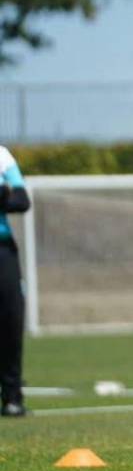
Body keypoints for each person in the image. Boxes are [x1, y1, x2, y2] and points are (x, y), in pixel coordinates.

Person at [0, 145, 31, 418]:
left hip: (3, 250)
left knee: (11, 318)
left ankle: (12, 398)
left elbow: (21, 200)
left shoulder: (2, 156)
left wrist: (2, 197)